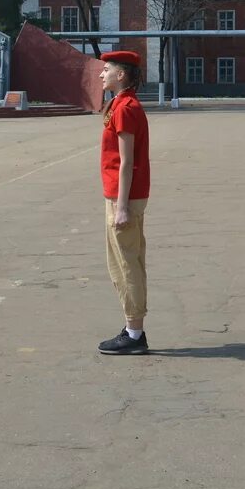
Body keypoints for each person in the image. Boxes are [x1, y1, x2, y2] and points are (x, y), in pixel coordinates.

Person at [95, 50, 151, 356]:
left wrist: (122, 206)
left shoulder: (125, 108)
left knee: (126, 264)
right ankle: (133, 329)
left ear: (122, 75)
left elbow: (126, 161)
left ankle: (134, 333)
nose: (101, 74)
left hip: (123, 195)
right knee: (127, 261)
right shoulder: (120, 105)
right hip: (121, 194)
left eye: (107, 70)